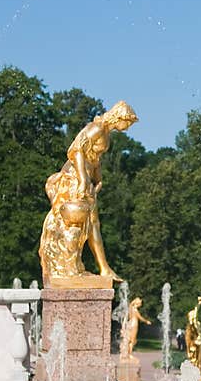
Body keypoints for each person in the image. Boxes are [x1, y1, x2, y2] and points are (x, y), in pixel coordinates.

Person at [39, 100, 138, 284]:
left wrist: (97, 177)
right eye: (128, 123)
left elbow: (94, 158)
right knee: (80, 224)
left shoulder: (105, 132)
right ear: (120, 117)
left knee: (93, 224)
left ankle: (99, 268)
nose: (127, 127)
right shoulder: (96, 128)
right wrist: (84, 179)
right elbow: (75, 150)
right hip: (74, 179)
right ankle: (77, 267)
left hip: (85, 179)